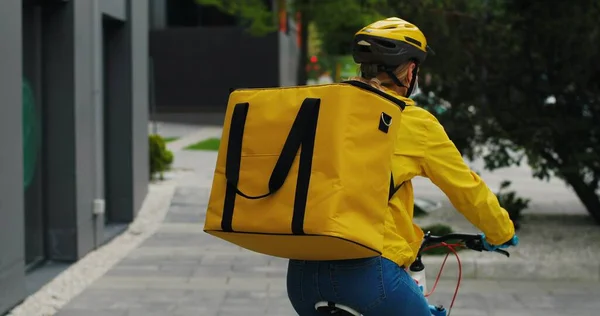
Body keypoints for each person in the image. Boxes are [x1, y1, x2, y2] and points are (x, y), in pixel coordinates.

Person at [286, 17, 519, 316]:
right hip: (368, 277)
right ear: (410, 72)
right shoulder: (411, 121)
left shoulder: (321, 109)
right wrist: (501, 232)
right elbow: (465, 187)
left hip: (301, 277)